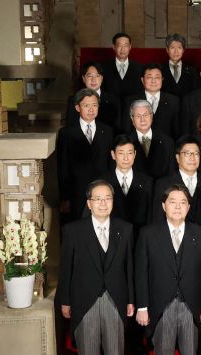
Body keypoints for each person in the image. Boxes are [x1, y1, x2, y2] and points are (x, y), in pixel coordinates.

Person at [58, 180, 134, 355]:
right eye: (98, 199)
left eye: (108, 198)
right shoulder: (73, 230)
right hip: (84, 300)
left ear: (113, 201)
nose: (103, 203)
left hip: (115, 299)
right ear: (89, 203)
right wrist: (65, 300)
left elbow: (129, 268)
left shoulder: (125, 229)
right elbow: (66, 268)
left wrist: (131, 300)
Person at [135, 184, 201, 355]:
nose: (177, 207)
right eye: (172, 202)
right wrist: (142, 306)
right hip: (162, 305)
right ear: (163, 205)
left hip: (191, 305)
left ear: (189, 207)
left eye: (182, 203)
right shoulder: (148, 234)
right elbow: (141, 272)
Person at [57, 88, 113, 222]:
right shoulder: (66, 133)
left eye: (94, 105)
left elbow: (110, 164)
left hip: (102, 193)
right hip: (76, 193)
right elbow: (62, 167)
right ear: (77, 108)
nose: (91, 109)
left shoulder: (107, 131)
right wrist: (65, 198)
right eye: (86, 105)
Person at [153, 136, 201, 230]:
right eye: (187, 153)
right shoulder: (163, 184)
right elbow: (157, 220)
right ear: (177, 157)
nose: (192, 157)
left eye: (196, 153)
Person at [102, 134, 153, 234]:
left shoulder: (147, 181)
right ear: (113, 155)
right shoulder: (103, 182)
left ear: (135, 154)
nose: (126, 158)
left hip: (139, 236)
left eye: (129, 153)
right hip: (111, 236)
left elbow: (150, 214)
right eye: (121, 153)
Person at [122, 64, 181, 138]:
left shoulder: (173, 101)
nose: (153, 81)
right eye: (149, 77)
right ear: (142, 80)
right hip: (138, 143)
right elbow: (126, 130)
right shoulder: (130, 101)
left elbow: (177, 130)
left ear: (162, 79)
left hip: (166, 144)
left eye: (157, 77)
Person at [126, 99, 176, 179]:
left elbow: (171, 172)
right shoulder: (125, 142)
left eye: (145, 115)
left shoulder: (167, 141)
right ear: (132, 119)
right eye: (138, 116)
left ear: (152, 116)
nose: (142, 119)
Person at [66, 61, 121, 132]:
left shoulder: (114, 100)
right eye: (90, 76)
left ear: (101, 78)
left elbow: (117, 128)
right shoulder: (73, 100)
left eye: (97, 76)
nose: (93, 80)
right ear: (83, 78)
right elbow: (70, 128)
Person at [102, 32, 144, 100]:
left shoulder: (140, 68)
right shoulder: (104, 67)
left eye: (126, 45)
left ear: (130, 47)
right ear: (114, 47)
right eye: (119, 45)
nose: (123, 49)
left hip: (133, 105)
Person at [161, 33, 201, 98]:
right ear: (167, 50)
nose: (176, 51)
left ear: (183, 50)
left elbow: (196, 94)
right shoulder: (160, 71)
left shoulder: (193, 71)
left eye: (179, 48)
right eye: (172, 48)